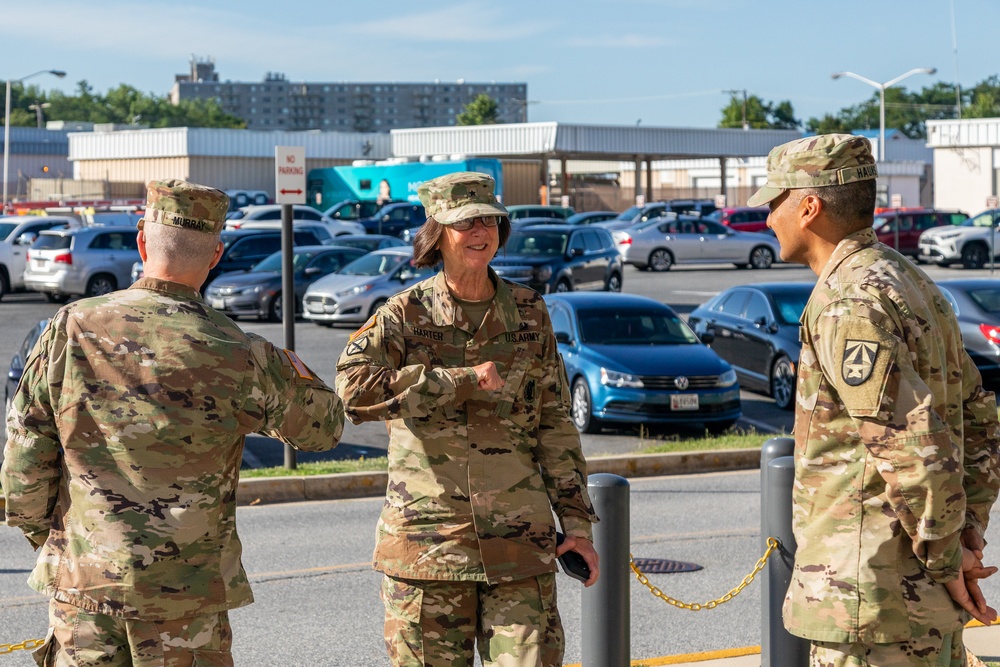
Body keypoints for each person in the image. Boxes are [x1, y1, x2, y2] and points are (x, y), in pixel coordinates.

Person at [2, 179, 346, 666]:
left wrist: (62, 544)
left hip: (84, 590)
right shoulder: (240, 352)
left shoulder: (69, 327)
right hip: (186, 601)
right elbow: (324, 426)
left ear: (142, 241)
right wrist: (289, 365)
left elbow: (23, 464)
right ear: (216, 255)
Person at [750, 134, 1000, 666]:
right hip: (911, 596)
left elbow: (912, 444)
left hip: (872, 601)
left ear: (809, 206)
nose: (768, 217)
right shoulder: (909, 279)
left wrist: (948, 557)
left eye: (775, 202)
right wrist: (964, 539)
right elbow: (980, 417)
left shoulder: (848, 299)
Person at [336, 171, 599, 666]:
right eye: (466, 223)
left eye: (491, 222)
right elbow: (351, 392)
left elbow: (555, 424)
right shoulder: (403, 314)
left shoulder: (529, 312)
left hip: (519, 549)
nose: (482, 232)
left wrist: (577, 524)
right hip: (429, 551)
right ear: (438, 232)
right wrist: (458, 380)